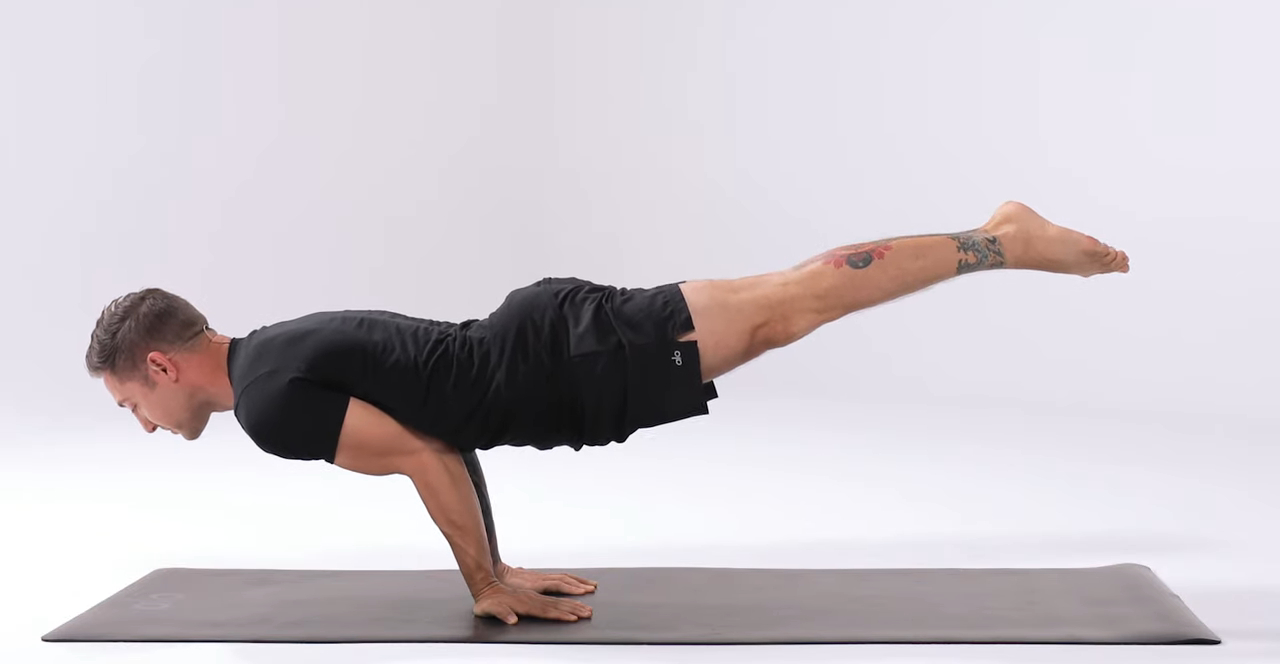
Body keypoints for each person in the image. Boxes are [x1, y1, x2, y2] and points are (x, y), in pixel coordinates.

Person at [84, 201, 1129, 626]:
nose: (142, 423)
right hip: (556, 349)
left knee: (791, 302)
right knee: (785, 305)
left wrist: (487, 580)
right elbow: (436, 441)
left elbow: (423, 454)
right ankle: (995, 241)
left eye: (133, 400)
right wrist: (492, 571)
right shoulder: (274, 354)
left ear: (164, 365)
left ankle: (1001, 240)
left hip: (569, 357)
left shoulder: (269, 405)